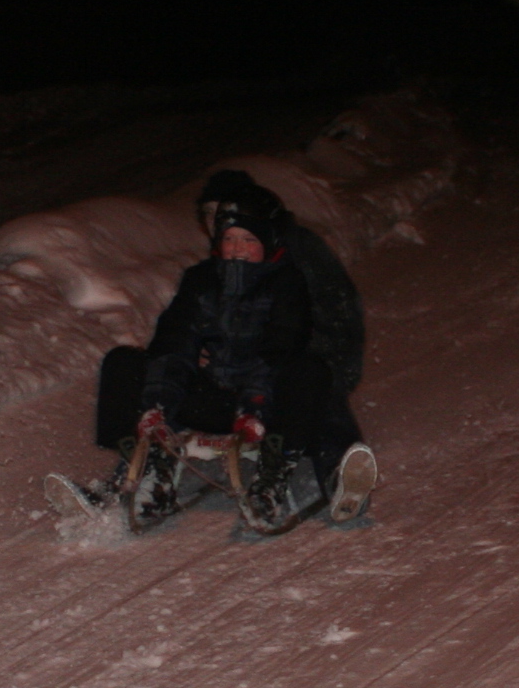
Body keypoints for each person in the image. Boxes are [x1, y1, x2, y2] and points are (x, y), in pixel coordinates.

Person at [83, 171, 377, 530]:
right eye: (225, 233)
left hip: (276, 392)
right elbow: (175, 340)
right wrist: (160, 405)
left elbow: (287, 345)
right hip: (217, 392)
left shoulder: (294, 272)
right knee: (126, 362)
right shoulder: (203, 278)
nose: (235, 245)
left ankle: (320, 474)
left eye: (247, 238)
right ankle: (140, 466)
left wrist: (255, 404)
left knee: (312, 377)